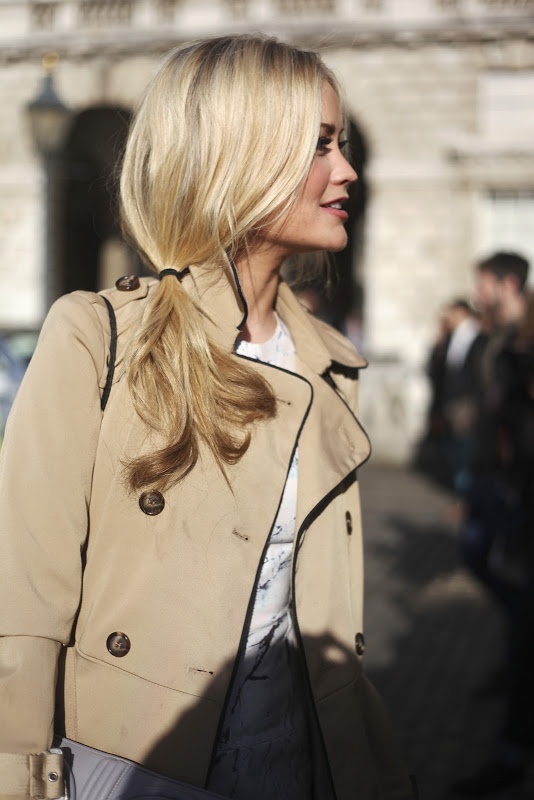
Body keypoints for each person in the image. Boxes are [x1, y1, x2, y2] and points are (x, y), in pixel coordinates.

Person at [0, 35, 415, 800]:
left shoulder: (330, 365)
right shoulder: (99, 336)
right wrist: (20, 777)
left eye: (343, 144)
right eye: (320, 145)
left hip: (294, 763)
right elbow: (23, 601)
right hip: (133, 767)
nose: (347, 170)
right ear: (243, 156)